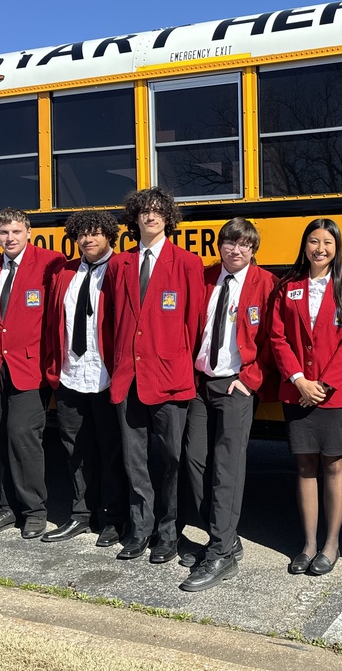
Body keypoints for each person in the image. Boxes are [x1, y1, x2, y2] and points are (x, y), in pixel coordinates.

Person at [106, 187, 205, 562]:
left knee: (170, 462)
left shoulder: (187, 263)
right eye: (144, 211)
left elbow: (195, 322)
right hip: (129, 377)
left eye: (157, 211)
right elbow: (112, 322)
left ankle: (168, 533)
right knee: (135, 462)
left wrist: (175, 358)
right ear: (135, 219)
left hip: (170, 378)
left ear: (168, 217)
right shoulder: (120, 264)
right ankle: (139, 528)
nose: (150, 216)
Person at [178, 218, 277, 592]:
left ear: (253, 250)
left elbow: (273, 338)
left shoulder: (265, 284)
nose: (235, 251)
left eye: (243, 245)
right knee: (195, 460)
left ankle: (220, 552)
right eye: (229, 244)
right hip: (201, 381)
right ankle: (225, 536)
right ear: (219, 246)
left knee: (228, 467)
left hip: (236, 385)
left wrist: (251, 379)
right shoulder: (205, 278)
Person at [268, 218, 342, 576]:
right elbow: (277, 337)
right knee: (305, 467)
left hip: (333, 395)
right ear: (304, 245)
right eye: (313, 241)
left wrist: (321, 385)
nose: (320, 249)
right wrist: (298, 381)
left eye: (327, 242)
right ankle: (308, 544)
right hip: (296, 392)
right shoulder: (287, 286)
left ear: (337, 247)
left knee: (334, 467)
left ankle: (331, 544)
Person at [0, 209, 65, 539]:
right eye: (3, 233)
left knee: (23, 436)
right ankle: (5, 508)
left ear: (29, 232)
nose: (9, 238)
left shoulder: (51, 263)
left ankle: (34, 510)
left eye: (15, 231)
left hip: (30, 367)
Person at [42, 210, 127, 547]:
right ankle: (81, 514)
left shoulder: (121, 269)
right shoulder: (65, 273)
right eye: (81, 234)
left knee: (112, 450)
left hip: (107, 375)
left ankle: (114, 517)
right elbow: (52, 321)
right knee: (75, 449)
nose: (88, 240)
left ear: (109, 236)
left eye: (94, 233)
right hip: (71, 373)